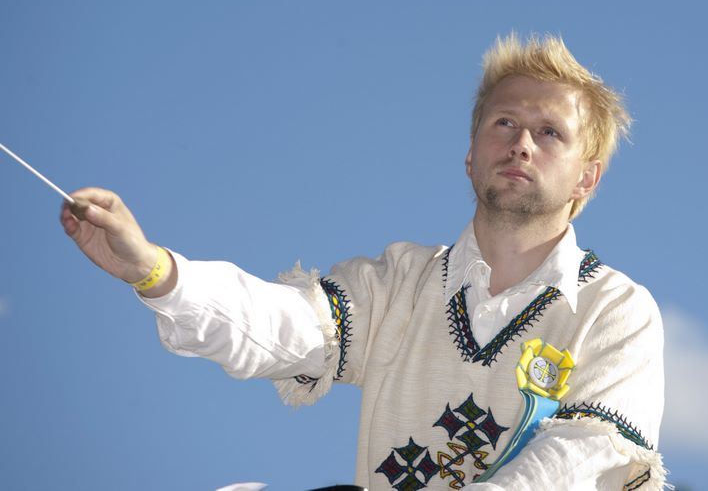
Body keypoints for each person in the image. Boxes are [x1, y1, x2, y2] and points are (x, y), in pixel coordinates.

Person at [60, 34, 666, 490]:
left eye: (550, 132)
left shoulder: (617, 309)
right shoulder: (397, 282)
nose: (521, 143)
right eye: (504, 122)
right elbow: (280, 326)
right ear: (470, 156)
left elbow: (584, 458)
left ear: (587, 178)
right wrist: (155, 271)